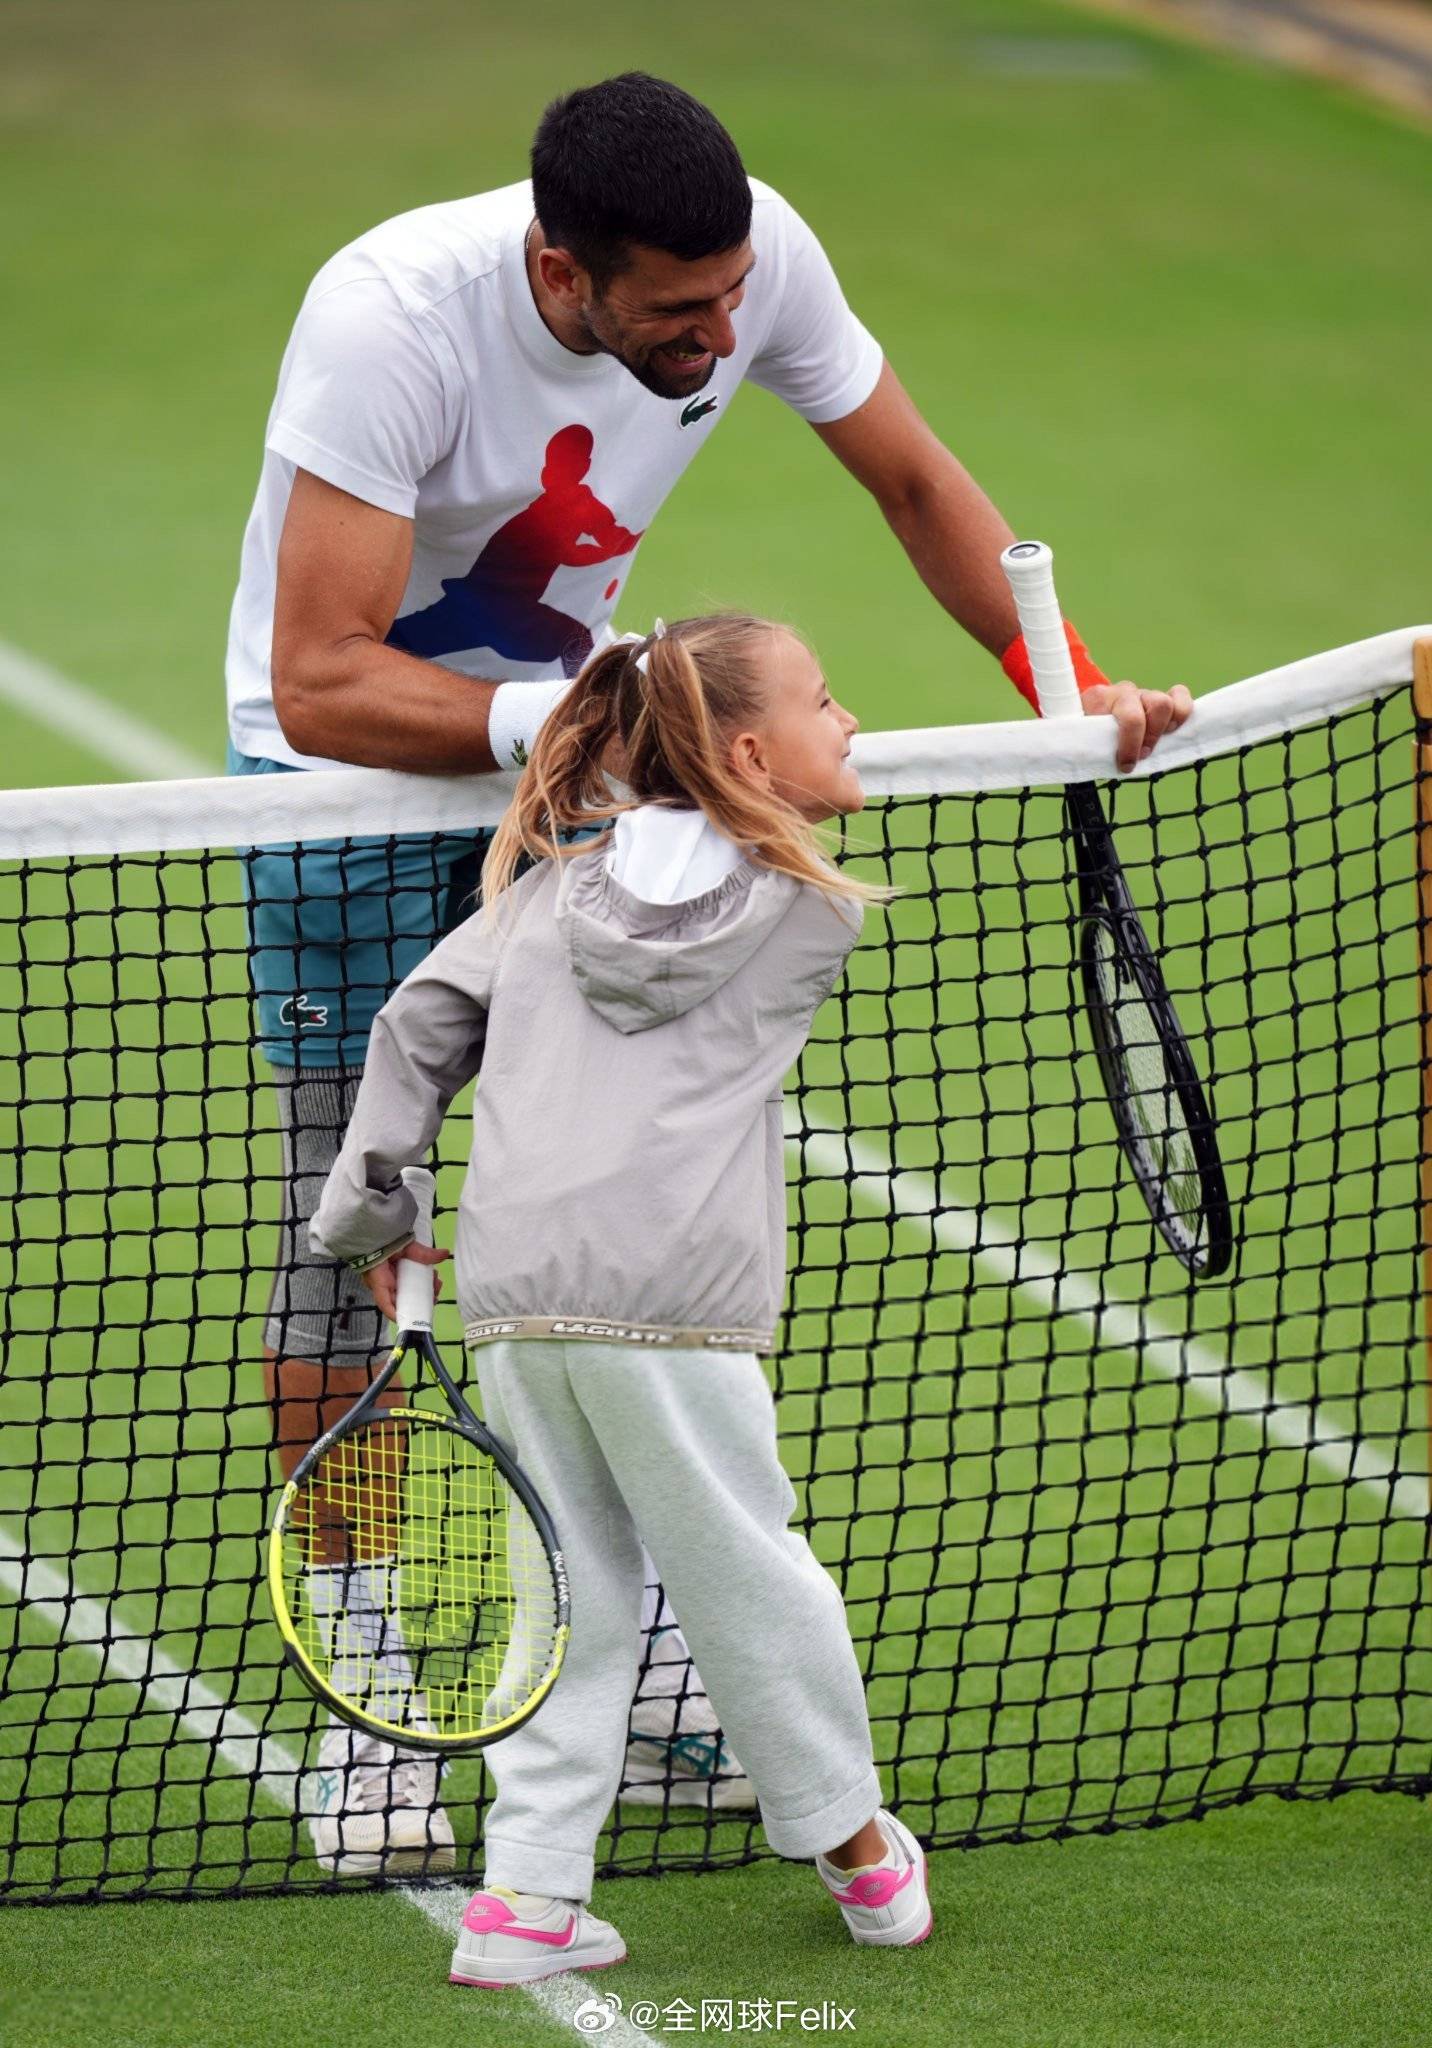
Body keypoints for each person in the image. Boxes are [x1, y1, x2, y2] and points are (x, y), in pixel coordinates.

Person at [226, 70, 1193, 1871]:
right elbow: (316, 675)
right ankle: (373, 1703)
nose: (722, 336)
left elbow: (911, 476)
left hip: (573, 778)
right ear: (563, 271)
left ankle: (652, 1660)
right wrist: (596, 718)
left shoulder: (756, 263)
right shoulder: (389, 321)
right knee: (345, 1256)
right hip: (352, 788)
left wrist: (1056, 683)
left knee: (614, 1234)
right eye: (679, 315)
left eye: (733, 298)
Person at [310, 613, 934, 1985]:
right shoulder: (812, 914)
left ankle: (525, 1903)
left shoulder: (531, 901)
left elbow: (413, 1027)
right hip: (676, 1310)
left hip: (519, 1293)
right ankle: (858, 1852)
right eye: (828, 701)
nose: (854, 724)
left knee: (572, 1595)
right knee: (747, 1577)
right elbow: (718, 870)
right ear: (752, 753)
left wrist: (370, 1211)